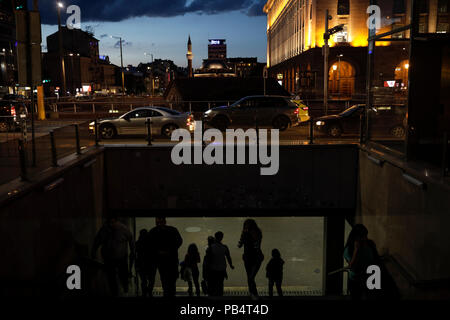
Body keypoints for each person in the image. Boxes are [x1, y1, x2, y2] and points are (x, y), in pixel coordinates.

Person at [92, 216, 135, 297]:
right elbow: (97, 241)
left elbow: (131, 239)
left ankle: (125, 287)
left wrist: (133, 251)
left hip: (121, 257)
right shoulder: (104, 230)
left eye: (113, 222)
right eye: (110, 223)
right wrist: (93, 252)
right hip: (109, 257)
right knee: (111, 277)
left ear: (116, 221)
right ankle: (114, 293)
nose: (111, 225)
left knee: (123, 274)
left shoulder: (123, 229)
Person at [145, 217, 183, 297]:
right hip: (171, 259)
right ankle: (171, 294)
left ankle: (167, 294)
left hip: (160, 260)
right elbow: (179, 241)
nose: (158, 224)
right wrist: (171, 250)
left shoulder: (153, 231)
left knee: (164, 279)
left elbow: (149, 245)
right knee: (171, 280)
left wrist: (158, 252)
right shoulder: (173, 230)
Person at [343, 224, 380, 300]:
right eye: (362, 236)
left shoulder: (370, 244)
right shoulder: (349, 249)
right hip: (356, 280)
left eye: (365, 236)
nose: (365, 239)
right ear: (355, 237)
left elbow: (376, 259)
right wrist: (356, 250)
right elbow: (352, 267)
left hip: (370, 277)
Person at [238, 219, 264, 299]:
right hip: (248, 257)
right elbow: (240, 244)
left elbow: (256, 244)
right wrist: (242, 239)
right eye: (245, 225)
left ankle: (253, 294)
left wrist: (247, 237)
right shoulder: (245, 233)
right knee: (249, 277)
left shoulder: (257, 233)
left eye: (248, 225)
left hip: (256, 258)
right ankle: (252, 293)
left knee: (251, 277)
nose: (246, 227)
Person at [207, 231, 234, 296]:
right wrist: (231, 265)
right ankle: (220, 297)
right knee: (220, 284)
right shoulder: (224, 247)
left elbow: (208, 260)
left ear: (215, 237)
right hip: (222, 269)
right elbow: (228, 257)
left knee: (213, 284)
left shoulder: (210, 248)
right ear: (222, 238)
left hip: (213, 269)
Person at [135, 229, 149, 297]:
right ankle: (149, 291)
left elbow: (134, 255)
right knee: (150, 279)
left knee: (143, 280)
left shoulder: (138, 243)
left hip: (140, 264)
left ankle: (144, 293)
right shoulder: (150, 243)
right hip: (149, 263)